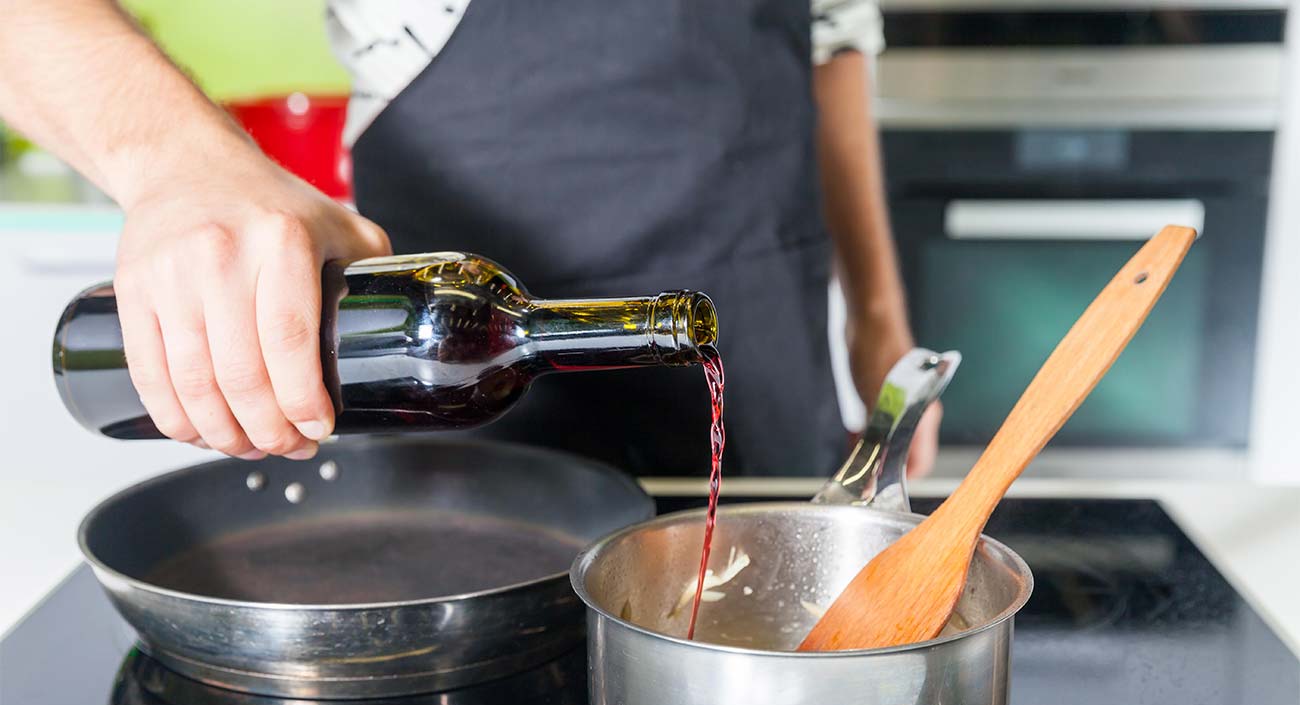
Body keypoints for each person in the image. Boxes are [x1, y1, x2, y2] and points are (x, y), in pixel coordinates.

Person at [0, 0, 939, 478]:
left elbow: (830, 34)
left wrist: (878, 318)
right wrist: (179, 161)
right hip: (444, 377)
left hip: (757, 343)